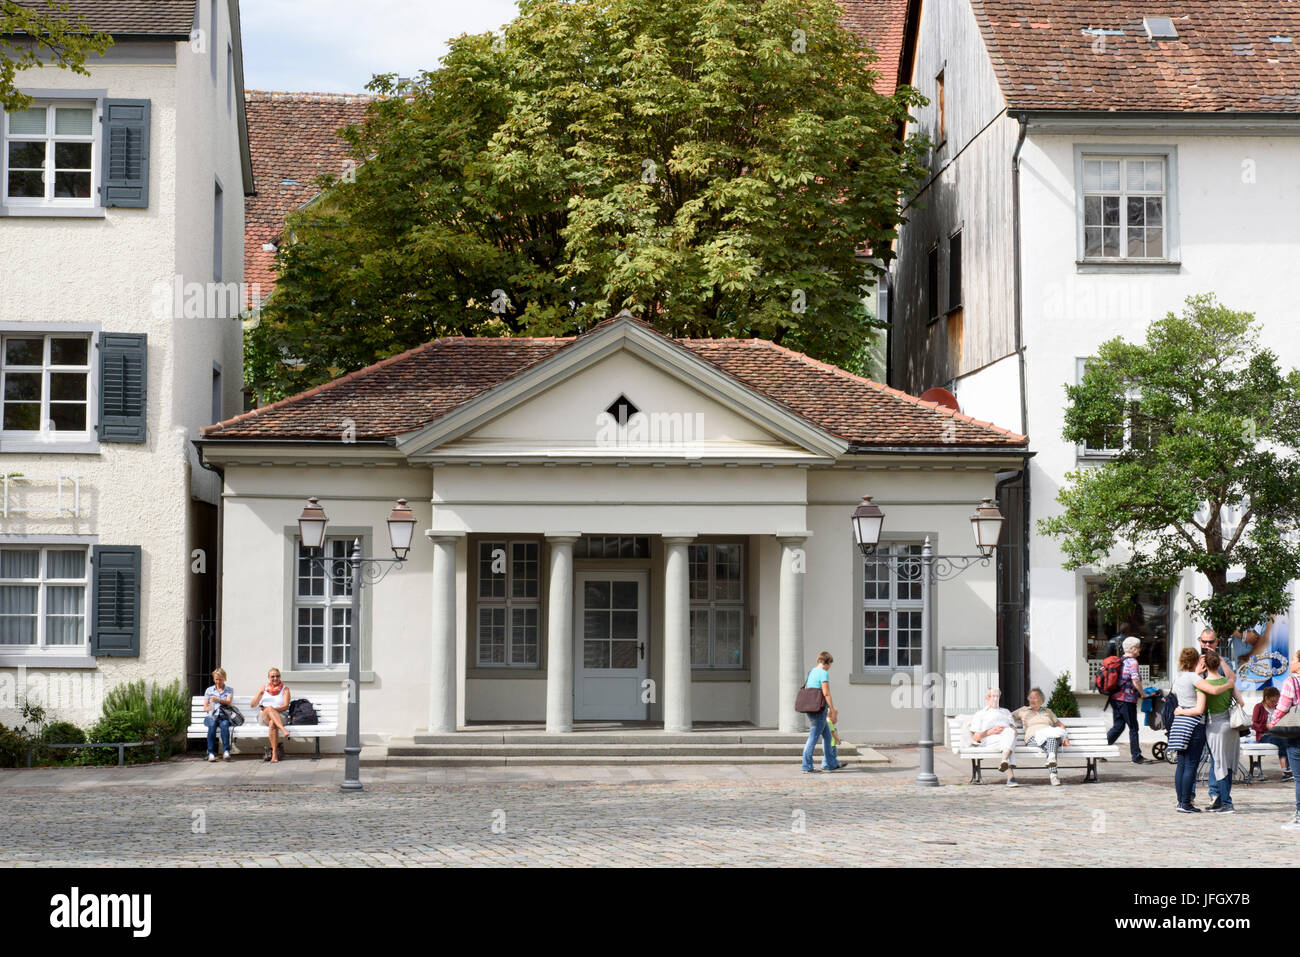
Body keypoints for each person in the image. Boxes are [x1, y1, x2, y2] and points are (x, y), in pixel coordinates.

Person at [1196, 629, 1244, 810]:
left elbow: (1230, 681)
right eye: (1204, 642)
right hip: (1202, 719)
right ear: (1200, 641)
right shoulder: (1197, 661)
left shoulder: (1224, 663)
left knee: (1218, 760)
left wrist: (1219, 661)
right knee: (1209, 760)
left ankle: (1218, 796)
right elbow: (1232, 683)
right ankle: (1215, 797)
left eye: (1211, 642)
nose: (1207, 645)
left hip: (1214, 720)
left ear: (1216, 642)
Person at [1170, 648, 1209, 813]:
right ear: (1196, 661)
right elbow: (1201, 705)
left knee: (1182, 764)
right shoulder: (1195, 678)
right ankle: (1186, 803)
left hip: (1179, 723)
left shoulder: (1179, 678)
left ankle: (1180, 800)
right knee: (1191, 764)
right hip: (1194, 723)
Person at [1266, 650, 1300, 830]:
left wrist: (1274, 722)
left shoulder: (1292, 682)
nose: (1292, 663)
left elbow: (1283, 706)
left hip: (1296, 732)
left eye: (1294, 659)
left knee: (1299, 776)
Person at [1012, 688, 1070, 786]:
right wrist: (1012, 726)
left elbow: (1061, 725)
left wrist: (1066, 739)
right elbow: (1008, 717)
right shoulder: (1023, 710)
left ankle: (1051, 759)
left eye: (1035, 698)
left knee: (1052, 736)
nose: (1032, 700)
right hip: (1032, 738)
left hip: (1048, 737)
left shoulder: (1048, 711)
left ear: (1041, 700)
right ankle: (1053, 775)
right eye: (1030, 698)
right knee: (1052, 739)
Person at [801, 651, 845, 773]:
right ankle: (806, 766)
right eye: (830, 664)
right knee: (813, 737)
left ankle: (830, 764)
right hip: (819, 710)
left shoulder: (811, 672)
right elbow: (826, 693)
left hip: (811, 708)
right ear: (826, 662)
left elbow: (806, 689)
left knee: (827, 736)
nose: (830, 667)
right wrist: (832, 709)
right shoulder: (823, 673)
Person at [1105, 636, 1148, 763]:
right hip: (1127, 699)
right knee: (1133, 727)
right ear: (1132, 648)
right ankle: (1136, 756)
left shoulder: (1121, 660)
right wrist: (1143, 694)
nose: (1139, 649)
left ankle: (1100, 749)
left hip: (1115, 698)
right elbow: (1135, 680)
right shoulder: (1133, 662)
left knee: (1118, 726)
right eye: (1138, 647)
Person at [969, 687, 1020, 787]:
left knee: (1009, 732)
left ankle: (1005, 761)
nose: (995, 699)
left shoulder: (1006, 712)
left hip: (1005, 738)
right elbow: (976, 737)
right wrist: (989, 732)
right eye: (993, 696)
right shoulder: (980, 714)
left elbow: (1015, 732)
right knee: (1009, 741)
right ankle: (1009, 774)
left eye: (997, 696)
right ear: (987, 698)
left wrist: (1007, 729)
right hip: (989, 740)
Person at [250, 667, 291, 763]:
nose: (275, 678)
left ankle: (275, 754)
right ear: (268, 677)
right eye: (272, 676)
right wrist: (259, 694)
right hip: (264, 717)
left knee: (272, 722)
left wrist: (272, 709)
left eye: (277, 676)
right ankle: (283, 729)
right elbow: (252, 705)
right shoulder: (264, 688)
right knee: (268, 709)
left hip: (281, 715)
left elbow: (285, 706)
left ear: (280, 677)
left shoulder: (285, 689)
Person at [1252, 686, 1291, 780]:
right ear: (1266, 698)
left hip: (1278, 734)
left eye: (1276, 702)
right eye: (1272, 701)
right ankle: (1285, 769)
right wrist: (1266, 726)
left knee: (1288, 741)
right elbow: (1254, 725)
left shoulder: (1277, 708)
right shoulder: (1259, 707)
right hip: (1264, 735)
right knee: (1283, 741)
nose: (1274, 704)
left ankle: (1288, 770)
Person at [203, 667, 234, 762]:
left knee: (224, 725)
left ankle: (226, 751)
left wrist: (218, 700)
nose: (218, 681)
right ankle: (211, 753)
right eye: (216, 679)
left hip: (223, 716)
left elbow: (228, 702)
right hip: (211, 716)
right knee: (212, 725)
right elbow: (205, 707)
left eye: (220, 679)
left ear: (225, 678)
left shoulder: (229, 690)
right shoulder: (209, 690)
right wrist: (211, 707)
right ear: (213, 679)